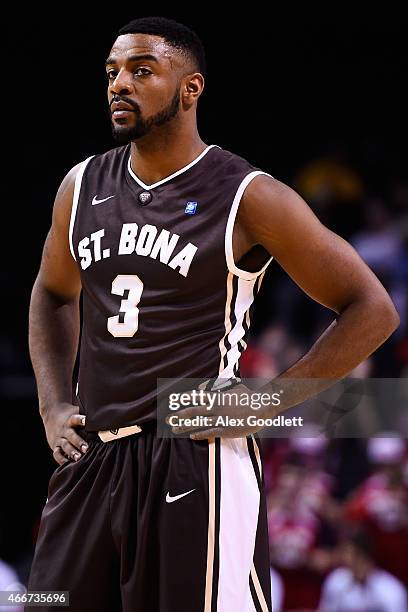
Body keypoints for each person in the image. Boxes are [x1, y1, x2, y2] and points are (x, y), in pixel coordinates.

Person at [27, 16, 399, 612]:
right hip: (92, 452)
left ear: (190, 88)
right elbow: (51, 293)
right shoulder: (81, 184)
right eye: (112, 72)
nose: (120, 83)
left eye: (141, 71)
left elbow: (371, 309)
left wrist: (267, 401)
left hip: (191, 448)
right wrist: (51, 402)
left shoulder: (248, 195)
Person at [319, 529, 408, 611]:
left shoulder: (390, 589)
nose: (342, 557)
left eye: (346, 552)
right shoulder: (336, 580)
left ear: (362, 556)